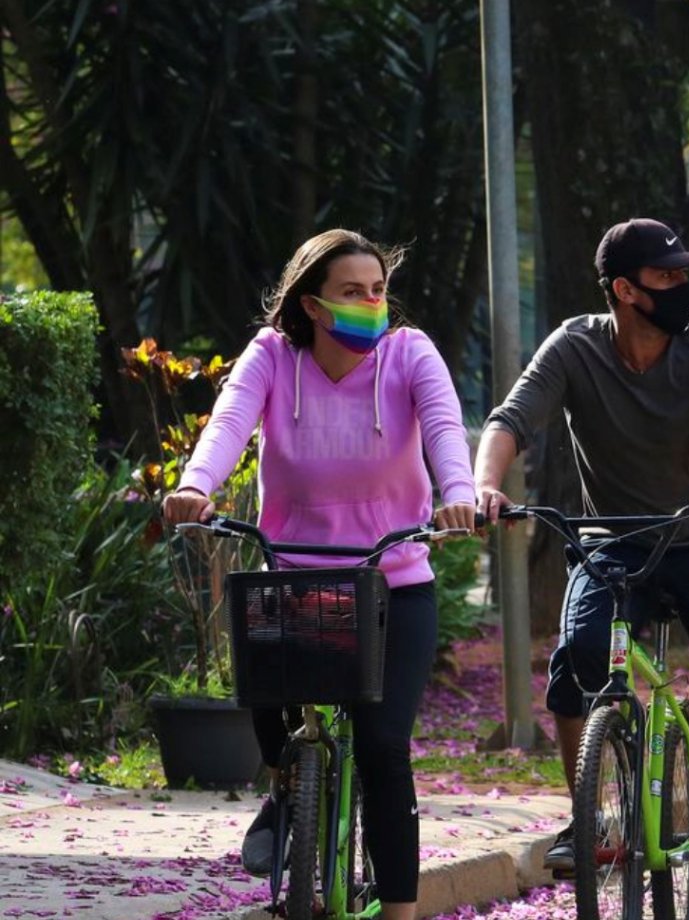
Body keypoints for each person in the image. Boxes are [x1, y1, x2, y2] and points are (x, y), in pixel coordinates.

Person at [162, 229, 476, 920]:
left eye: (378, 290)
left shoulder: (408, 353)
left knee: (383, 748)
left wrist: (457, 493)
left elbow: (446, 428)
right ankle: (287, 784)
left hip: (395, 582)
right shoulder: (274, 357)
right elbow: (228, 424)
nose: (371, 303)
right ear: (311, 304)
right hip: (294, 580)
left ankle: (397, 912)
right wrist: (195, 485)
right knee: (264, 696)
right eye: (352, 293)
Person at [475, 218, 689, 878]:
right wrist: (484, 486)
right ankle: (586, 813)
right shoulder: (574, 347)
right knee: (579, 659)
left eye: (683, 275)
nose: (680, 287)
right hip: (614, 541)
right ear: (624, 289)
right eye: (665, 276)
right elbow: (511, 419)